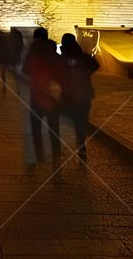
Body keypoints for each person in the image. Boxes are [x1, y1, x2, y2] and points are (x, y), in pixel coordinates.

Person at [22, 27, 61, 164]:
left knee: (36, 125)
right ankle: (56, 152)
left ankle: (40, 153)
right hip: (52, 94)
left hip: (37, 94)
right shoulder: (53, 51)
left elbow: (25, 70)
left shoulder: (33, 53)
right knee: (54, 126)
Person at [58, 33, 99, 160]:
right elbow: (95, 65)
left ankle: (59, 147)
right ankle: (82, 148)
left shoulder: (62, 59)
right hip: (84, 94)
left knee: (62, 120)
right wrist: (85, 73)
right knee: (81, 122)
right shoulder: (83, 56)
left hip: (68, 94)